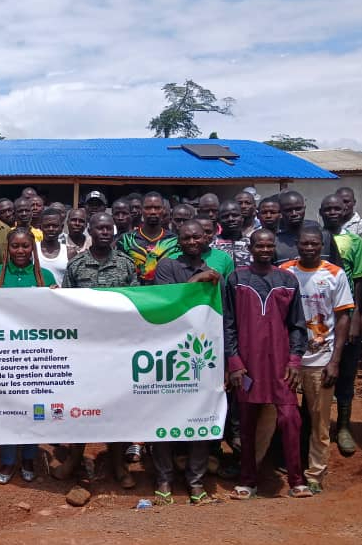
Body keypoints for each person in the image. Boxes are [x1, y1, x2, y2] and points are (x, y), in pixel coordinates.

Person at [224, 228, 312, 500]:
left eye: (269, 245)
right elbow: (228, 324)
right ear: (250, 248)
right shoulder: (237, 278)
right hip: (248, 365)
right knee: (247, 424)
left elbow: (298, 326)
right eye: (259, 245)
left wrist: (295, 360)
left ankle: (297, 480)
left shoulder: (287, 280)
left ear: (274, 248)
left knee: (290, 419)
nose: (264, 249)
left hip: (281, 364)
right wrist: (234, 361)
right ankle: (248, 480)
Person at [61, 212, 139, 500]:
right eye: (100, 228)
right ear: (90, 231)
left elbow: (136, 305)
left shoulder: (127, 265)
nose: (105, 232)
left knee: (117, 405)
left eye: (109, 228)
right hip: (85, 348)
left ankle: (118, 464)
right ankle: (75, 458)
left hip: (118, 347)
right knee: (81, 404)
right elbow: (65, 306)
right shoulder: (76, 265)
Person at [152, 220, 222, 505]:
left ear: (206, 239)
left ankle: (195, 481)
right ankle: (164, 478)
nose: (192, 242)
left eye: (196, 237)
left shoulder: (216, 271)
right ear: (178, 241)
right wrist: (197, 281)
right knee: (162, 416)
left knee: (200, 417)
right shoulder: (167, 266)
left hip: (202, 355)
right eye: (186, 238)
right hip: (167, 354)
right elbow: (167, 304)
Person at [280, 226, 353, 492]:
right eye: (304, 243)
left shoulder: (335, 274)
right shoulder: (285, 271)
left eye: (314, 244)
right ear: (297, 245)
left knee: (319, 421)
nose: (309, 248)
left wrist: (335, 361)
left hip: (321, 359)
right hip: (289, 359)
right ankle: (281, 467)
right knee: (282, 417)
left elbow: (343, 318)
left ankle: (315, 473)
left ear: (322, 245)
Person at [0, 228, 54, 484]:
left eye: (26, 246)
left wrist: (57, 297)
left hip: (36, 356)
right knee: (7, 406)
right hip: (4, 354)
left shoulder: (45, 276)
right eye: (15, 246)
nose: (21, 251)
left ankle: (29, 456)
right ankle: (7, 458)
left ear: (33, 248)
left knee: (33, 407)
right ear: (8, 248)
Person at [321, 194, 362, 456]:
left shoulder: (355, 241)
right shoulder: (316, 237)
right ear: (320, 212)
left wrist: (356, 319)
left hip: (346, 314)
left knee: (346, 371)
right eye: (329, 208)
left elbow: (359, 281)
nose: (334, 212)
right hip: (318, 316)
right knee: (318, 373)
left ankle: (344, 426)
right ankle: (319, 424)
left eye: (338, 207)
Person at [117, 191, 179, 284]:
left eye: (157, 208)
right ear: (141, 210)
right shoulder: (126, 240)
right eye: (148, 208)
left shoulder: (174, 241)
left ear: (163, 210)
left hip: (166, 291)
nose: (153, 212)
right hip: (135, 292)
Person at [276, 191, 342, 266]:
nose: (294, 214)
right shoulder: (275, 243)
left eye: (298, 209)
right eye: (288, 210)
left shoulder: (324, 236)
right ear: (281, 212)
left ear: (304, 208)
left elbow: (338, 268)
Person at [212, 200, 252, 268]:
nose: (231, 219)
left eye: (235, 215)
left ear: (242, 218)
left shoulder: (252, 243)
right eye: (225, 216)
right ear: (218, 220)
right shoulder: (211, 245)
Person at [35, 208, 71, 283]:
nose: (51, 229)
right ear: (40, 227)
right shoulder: (33, 250)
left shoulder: (70, 252)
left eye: (55, 226)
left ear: (62, 227)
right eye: (47, 226)